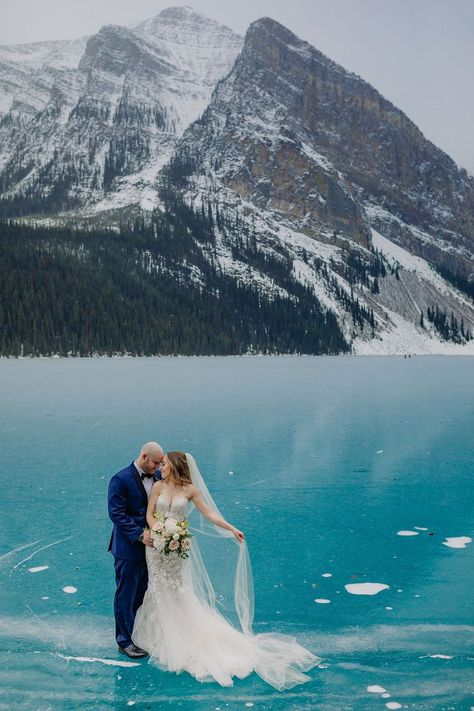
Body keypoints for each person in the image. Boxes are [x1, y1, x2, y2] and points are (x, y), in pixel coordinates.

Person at [132, 451, 321, 689]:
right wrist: (159, 531)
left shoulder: (190, 490)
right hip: (157, 549)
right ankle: (162, 636)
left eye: (166, 464)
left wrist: (231, 528)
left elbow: (209, 513)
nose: (162, 467)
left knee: (177, 589)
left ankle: (185, 638)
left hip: (177, 550)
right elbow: (150, 514)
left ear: (176, 466)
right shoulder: (158, 486)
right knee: (157, 587)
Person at [108, 442, 164, 658]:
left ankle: (139, 634)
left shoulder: (159, 476)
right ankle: (124, 640)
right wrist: (140, 534)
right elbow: (117, 514)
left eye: (160, 463)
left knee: (143, 593)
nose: (158, 467)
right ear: (143, 456)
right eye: (155, 462)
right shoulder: (120, 479)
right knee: (126, 595)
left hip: (153, 550)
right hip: (128, 549)